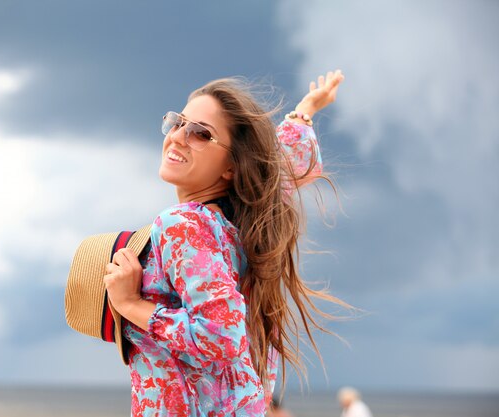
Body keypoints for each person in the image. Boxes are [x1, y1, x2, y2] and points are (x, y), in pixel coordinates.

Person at [103, 70, 346, 416]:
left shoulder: (183, 223)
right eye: (177, 122)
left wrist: (129, 305)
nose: (178, 137)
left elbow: (220, 337)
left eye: (200, 134)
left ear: (231, 167)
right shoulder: (249, 226)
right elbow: (285, 165)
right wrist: (306, 109)